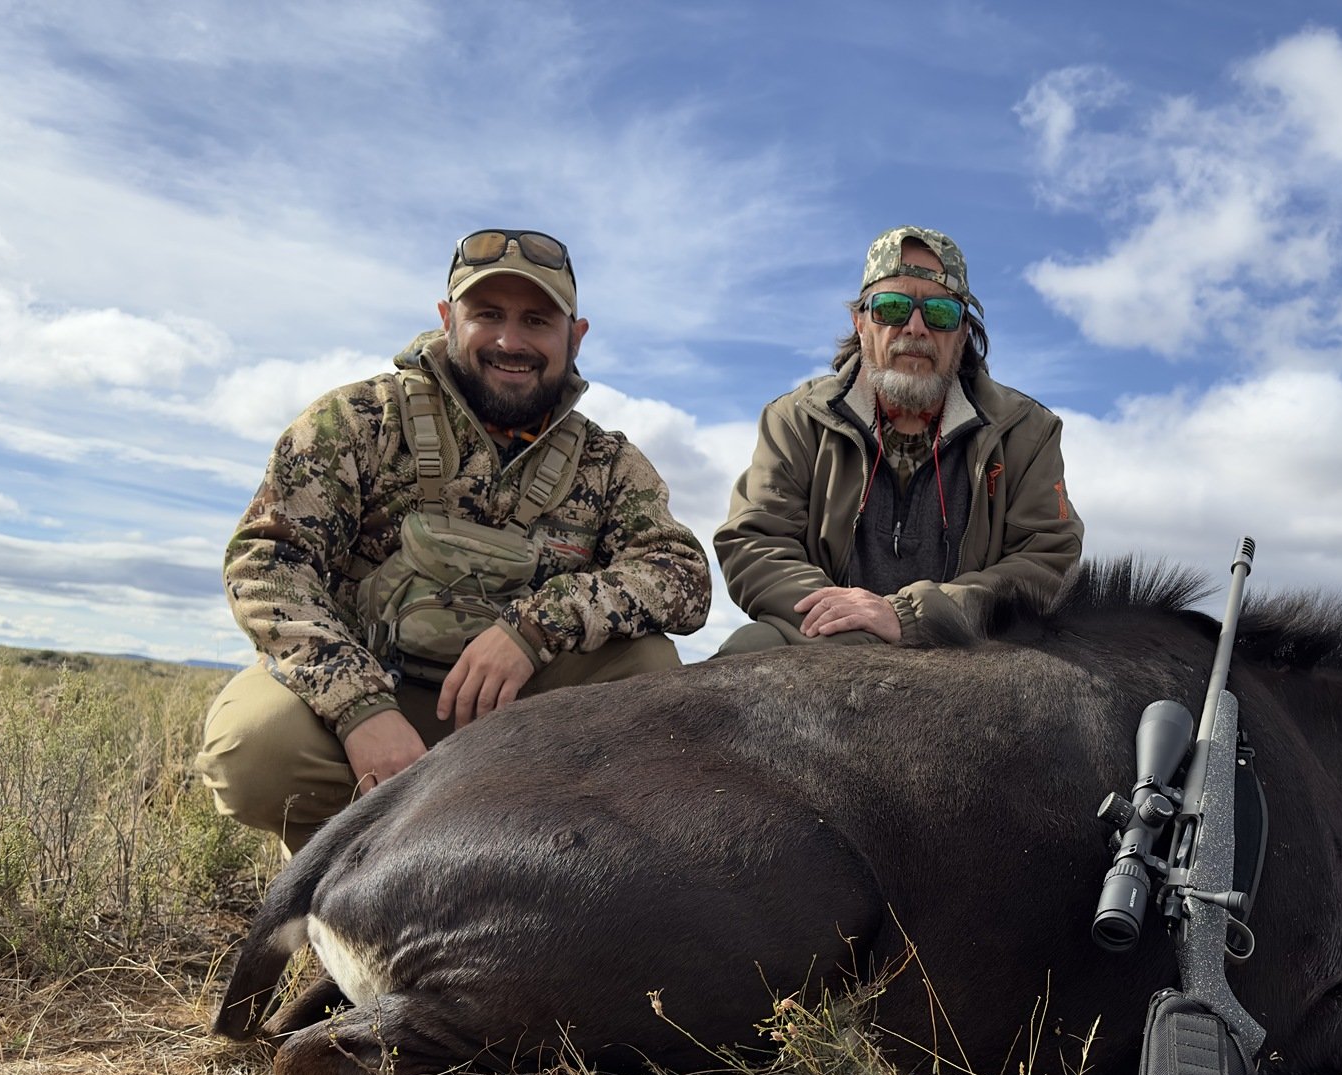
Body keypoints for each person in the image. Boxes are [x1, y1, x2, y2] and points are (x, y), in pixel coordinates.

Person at [197, 229, 711, 850]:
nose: (510, 341)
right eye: (487, 315)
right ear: (447, 320)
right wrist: (359, 707)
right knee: (252, 754)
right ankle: (345, 871)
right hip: (369, 702)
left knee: (650, 674)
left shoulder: (609, 462)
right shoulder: (359, 421)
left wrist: (534, 629)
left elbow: (681, 576)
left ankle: (540, 866)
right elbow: (268, 562)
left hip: (519, 721)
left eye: (537, 320)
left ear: (574, 337)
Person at [714, 225, 1081, 651]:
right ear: (860, 322)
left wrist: (910, 617)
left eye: (941, 313)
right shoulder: (796, 419)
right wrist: (852, 628)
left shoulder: (1027, 431)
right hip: (828, 645)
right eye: (892, 308)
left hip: (971, 652)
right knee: (749, 648)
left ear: (962, 334)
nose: (916, 328)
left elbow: (1048, 563)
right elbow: (754, 542)